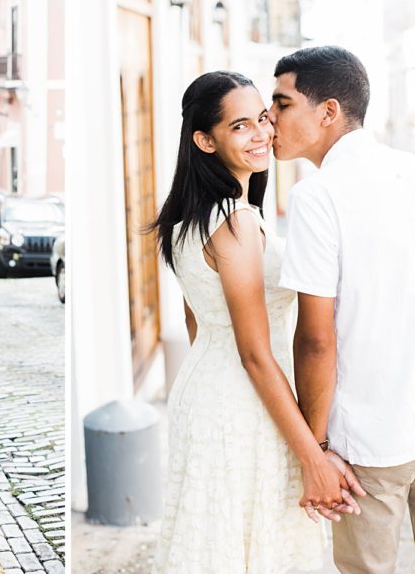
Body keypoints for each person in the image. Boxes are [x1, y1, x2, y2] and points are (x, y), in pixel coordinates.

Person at [270, 46, 415, 573]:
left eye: (281, 103)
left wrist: (317, 447)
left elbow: (316, 338)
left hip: (378, 436)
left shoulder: (316, 197)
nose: (268, 118)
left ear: (328, 111)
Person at [150, 71, 364, 574]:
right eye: (240, 126)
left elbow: (197, 321)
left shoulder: (188, 218)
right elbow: (254, 353)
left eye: (263, 119)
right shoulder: (234, 220)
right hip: (244, 403)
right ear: (205, 140)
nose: (263, 134)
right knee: (253, 539)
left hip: (206, 392)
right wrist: (314, 456)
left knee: (218, 538)